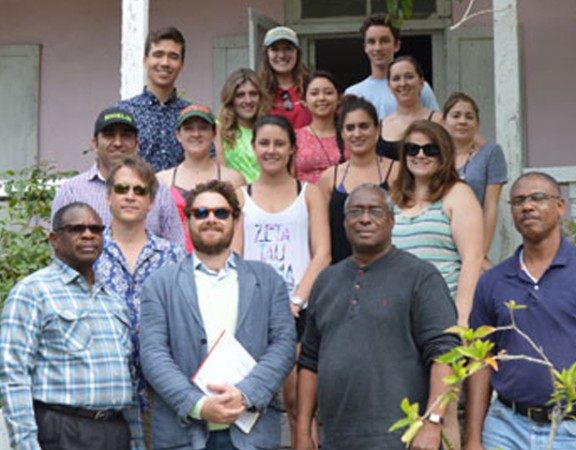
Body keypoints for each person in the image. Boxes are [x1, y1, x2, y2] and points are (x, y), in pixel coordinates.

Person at [296, 183, 460, 450]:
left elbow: (445, 353)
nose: (365, 219)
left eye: (375, 211)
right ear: (344, 222)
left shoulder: (420, 276)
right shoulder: (326, 281)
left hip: (403, 439)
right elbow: (309, 361)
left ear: (392, 221)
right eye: (356, 211)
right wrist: (303, 431)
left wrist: (432, 422)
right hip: (337, 439)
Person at [139, 180, 297, 450]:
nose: (211, 219)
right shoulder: (159, 284)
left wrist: (246, 394)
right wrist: (198, 405)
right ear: (188, 220)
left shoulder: (268, 279)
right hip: (183, 434)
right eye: (201, 213)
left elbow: (283, 345)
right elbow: (153, 354)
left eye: (221, 213)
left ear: (235, 220)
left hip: (251, 434)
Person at [0, 202, 143, 450]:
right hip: (63, 431)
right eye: (76, 229)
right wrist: (26, 445)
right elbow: (13, 375)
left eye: (96, 229)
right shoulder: (33, 292)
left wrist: (136, 442)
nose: (88, 235)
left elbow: (128, 379)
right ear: (55, 240)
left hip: (116, 431)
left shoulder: (113, 301)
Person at [232, 115, 330, 446]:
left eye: (279, 143)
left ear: (292, 149)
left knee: (299, 403)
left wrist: (296, 301)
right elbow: (236, 257)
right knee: (250, 400)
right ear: (253, 147)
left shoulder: (310, 193)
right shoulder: (240, 196)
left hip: (300, 311)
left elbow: (323, 254)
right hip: (253, 310)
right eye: (264, 143)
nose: (271, 150)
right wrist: (260, 302)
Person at [465, 172, 576, 450]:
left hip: (569, 428)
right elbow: (481, 360)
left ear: (560, 206)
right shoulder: (493, 281)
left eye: (537, 198)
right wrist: (473, 438)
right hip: (506, 426)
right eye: (518, 201)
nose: (527, 206)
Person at [95, 157, 186, 449]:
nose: (130, 196)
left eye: (139, 190)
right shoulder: (89, 253)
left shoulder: (174, 256)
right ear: (108, 197)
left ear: (151, 201)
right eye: (122, 189)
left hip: (160, 392)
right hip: (104, 392)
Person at [391, 120, 484, 328]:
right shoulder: (394, 198)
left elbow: (472, 259)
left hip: (442, 312)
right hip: (399, 316)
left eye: (430, 150)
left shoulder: (459, 194)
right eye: (412, 149)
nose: (420, 155)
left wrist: (461, 318)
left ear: (444, 154)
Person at [52, 106, 185, 246]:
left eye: (126, 136)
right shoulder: (71, 191)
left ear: (137, 144)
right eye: (109, 135)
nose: (118, 143)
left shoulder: (158, 190)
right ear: (95, 144)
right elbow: (59, 248)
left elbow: (177, 247)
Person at [318, 95, 397, 264]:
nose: (357, 134)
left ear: (378, 129)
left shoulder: (396, 171)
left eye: (364, 126)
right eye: (350, 128)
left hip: (388, 268)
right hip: (340, 269)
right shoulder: (329, 177)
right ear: (342, 133)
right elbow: (320, 236)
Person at [157, 104, 245, 252]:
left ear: (214, 133)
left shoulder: (233, 179)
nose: (196, 134)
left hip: (219, 260)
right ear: (178, 135)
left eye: (203, 128)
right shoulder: (162, 180)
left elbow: (238, 230)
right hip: (173, 263)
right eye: (189, 128)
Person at [443, 92, 508, 269]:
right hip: (439, 239)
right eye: (456, 115)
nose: (462, 121)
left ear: (477, 123)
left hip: (472, 239)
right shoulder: (433, 156)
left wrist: (480, 255)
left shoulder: (490, 153)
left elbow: (490, 206)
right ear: (444, 121)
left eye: (469, 117)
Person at [115, 26, 191, 171]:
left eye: (173, 56)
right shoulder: (123, 112)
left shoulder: (192, 117)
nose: (165, 63)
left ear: (182, 65)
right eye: (158, 55)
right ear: (145, 60)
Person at [345, 13, 438, 120]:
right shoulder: (354, 93)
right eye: (371, 42)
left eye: (384, 41)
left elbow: (436, 125)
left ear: (397, 45)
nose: (378, 48)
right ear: (365, 47)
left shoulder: (418, 87)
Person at [379, 56, 442, 160]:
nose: (403, 83)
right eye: (396, 79)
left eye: (409, 77)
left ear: (421, 82)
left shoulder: (439, 121)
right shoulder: (380, 127)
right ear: (389, 86)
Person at [215, 68, 270, 184]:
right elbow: (220, 173)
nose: (248, 100)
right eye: (240, 95)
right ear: (231, 99)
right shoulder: (218, 129)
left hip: (268, 192)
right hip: (233, 192)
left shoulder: (270, 128)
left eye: (253, 94)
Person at [295, 70, 347, 183]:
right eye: (314, 93)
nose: (321, 98)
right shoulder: (295, 137)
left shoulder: (350, 135)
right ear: (304, 101)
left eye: (328, 93)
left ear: (339, 98)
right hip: (304, 193)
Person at [258, 26, 311, 129]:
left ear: (297, 53)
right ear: (266, 54)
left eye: (288, 48)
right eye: (275, 49)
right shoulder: (257, 90)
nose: (282, 55)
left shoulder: (311, 87)